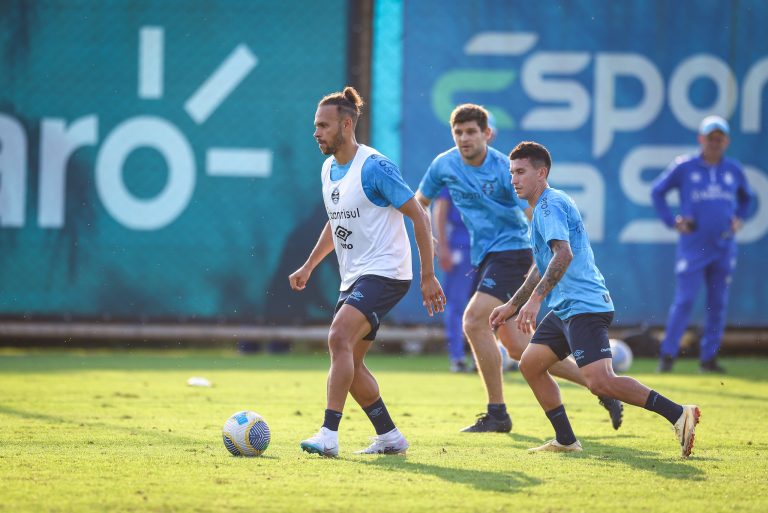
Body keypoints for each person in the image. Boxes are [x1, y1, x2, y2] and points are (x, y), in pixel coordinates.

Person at [415, 104, 623, 433]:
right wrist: (430, 235)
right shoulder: (444, 164)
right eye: (458, 132)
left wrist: (549, 252)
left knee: (473, 320)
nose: (464, 138)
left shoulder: (503, 169)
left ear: (487, 134)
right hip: (483, 258)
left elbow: (533, 211)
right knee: (519, 349)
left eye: (471, 132)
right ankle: (599, 385)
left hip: (513, 252)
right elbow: (419, 202)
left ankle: (497, 413)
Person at [490, 141, 700, 457]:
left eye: (521, 172)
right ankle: (565, 440)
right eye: (511, 173)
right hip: (565, 309)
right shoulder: (541, 209)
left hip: (584, 306)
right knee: (531, 364)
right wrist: (513, 304)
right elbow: (542, 265)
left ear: (541, 172)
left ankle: (679, 413)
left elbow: (564, 255)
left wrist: (534, 300)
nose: (514, 179)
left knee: (601, 381)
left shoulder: (550, 205)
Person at [290, 86, 444, 457]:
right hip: (355, 275)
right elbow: (335, 221)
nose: (316, 132)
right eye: (315, 126)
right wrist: (310, 264)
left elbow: (420, 217)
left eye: (323, 126)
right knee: (352, 364)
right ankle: (390, 436)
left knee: (337, 337)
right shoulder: (328, 168)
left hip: (387, 271)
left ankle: (328, 433)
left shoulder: (375, 167)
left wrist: (427, 276)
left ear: (346, 124)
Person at [651, 116, 754, 374]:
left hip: (723, 245)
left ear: (726, 141)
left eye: (720, 139)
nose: (715, 143)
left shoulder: (733, 169)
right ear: (701, 139)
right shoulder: (685, 167)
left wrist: (739, 218)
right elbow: (657, 191)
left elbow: (747, 199)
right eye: (711, 138)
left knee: (717, 304)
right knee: (685, 301)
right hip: (693, 246)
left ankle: (708, 359)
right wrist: (672, 221)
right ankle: (667, 355)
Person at [432, 187, 473, 372]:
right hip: (461, 246)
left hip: (489, 247)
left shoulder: (494, 171)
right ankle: (458, 357)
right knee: (456, 305)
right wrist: (443, 247)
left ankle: (490, 355)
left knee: (488, 305)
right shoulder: (453, 175)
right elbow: (440, 209)